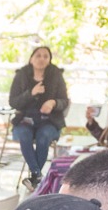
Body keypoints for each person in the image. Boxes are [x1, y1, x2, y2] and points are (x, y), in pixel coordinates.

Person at [7, 45, 68, 186]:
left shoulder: (56, 75)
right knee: (24, 135)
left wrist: (53, 103)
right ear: (31, 59)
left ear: (50, 60)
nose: (41, 59)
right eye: (38, 56)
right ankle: (37, 175)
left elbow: (64, 101)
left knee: (43, 137)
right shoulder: (21, 75)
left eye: (45, 56)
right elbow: (13, 102)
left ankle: (35, 178)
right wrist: (31, 93)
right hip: (25, 120)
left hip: (49, 121)